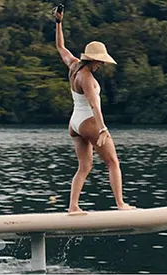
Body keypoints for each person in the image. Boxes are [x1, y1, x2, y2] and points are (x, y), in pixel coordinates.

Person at [52, 5, 133, 215]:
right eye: (101, 62)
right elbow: (94, 105)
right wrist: (103, 128)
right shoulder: (86, 77)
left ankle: (73, 206)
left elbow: (60, 47)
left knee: (85, 167)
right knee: (112, 162)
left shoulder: (74, 65)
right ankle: (120, 204)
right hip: (88, 121)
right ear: (95, 59)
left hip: (74, 124)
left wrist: (58, 22)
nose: (102, 65)